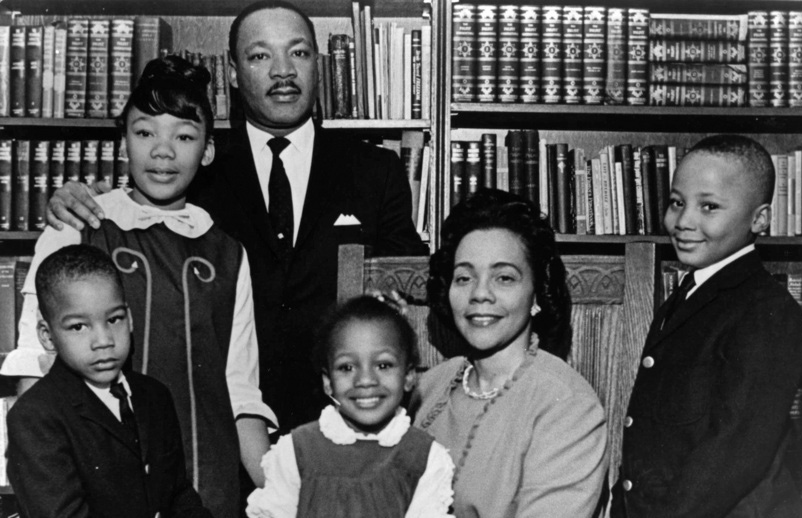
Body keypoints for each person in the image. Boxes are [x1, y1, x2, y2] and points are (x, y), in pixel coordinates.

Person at [45, 0, 427, 433]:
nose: (283, 71)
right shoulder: (195, 166)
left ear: (318, 65)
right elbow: (132, 214)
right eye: (260, 55)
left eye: (298, 53)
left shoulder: (375, 171)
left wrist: (393, 301)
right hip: (217, 427)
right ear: (232, 71)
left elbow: (407, 286)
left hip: (343, 421)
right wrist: (75, 198)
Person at [2, 56, 276, 518]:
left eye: (184, 137)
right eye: (145, 132)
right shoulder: (77, 226)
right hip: (95, 482)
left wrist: (285, 491)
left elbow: (240, 390)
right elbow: (36, 368)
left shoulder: (228, 253)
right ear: (123, 141)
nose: (163, 152)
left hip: (204, 477)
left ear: (208, 150)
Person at [610, 135, 802, 518]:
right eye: (676, 203)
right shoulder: (687, 297)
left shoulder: (766, 311)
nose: (683, 222)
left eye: (709, 207)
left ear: (760, 219)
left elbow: (732, 452)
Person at [411, 189, 608, 517]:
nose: (480, 293)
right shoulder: (430, 387)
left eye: (504, 278)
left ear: (537, 293)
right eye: (464, 277)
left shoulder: (568, 407)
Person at [7, 244, 214, 518]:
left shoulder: (155, 396)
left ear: (129, 319)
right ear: (47, 335)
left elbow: (179, 496)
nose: (104, 341)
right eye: (79, 326)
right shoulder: (35, 416)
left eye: (114, 319)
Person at [246, 296, 455, 518]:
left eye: (383, 365)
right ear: (328, 382)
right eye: (347, 367)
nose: (365, 380)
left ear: (409, 376)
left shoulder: (425, 458)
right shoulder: (296, 452)